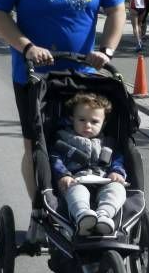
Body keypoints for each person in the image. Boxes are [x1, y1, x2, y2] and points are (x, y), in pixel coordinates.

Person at [0, 0, 125, 244]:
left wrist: (106, 50)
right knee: (37, 147)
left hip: (82, 76)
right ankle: (40, 211)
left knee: (87, 141)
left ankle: (89, 211)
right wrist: (27, 46)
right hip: (35, 75)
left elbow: (117, 10)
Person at [50, 92, 127, 235]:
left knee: (117, 189)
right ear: (72, 119)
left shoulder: (107, 142)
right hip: (76, 179)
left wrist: (116, 171)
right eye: (82, 120)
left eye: (94, 122)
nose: (88, 125)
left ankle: (104, 216)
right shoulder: (64, 139)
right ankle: (83, 216)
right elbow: (56, 158)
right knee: (76, 192)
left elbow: (117, 158)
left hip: (104, 180)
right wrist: (63, 175)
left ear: (103, 124)